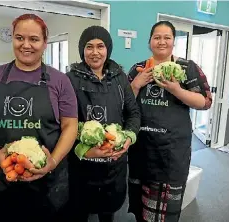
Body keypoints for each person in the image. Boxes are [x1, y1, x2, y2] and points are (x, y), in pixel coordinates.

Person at [0, 14, 78, 222]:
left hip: (50, 185)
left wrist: (52, 162)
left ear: (45, 43)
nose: (26, 45)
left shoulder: (60, 80)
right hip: (6, 179)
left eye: (34, 39)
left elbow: (70, 125)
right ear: (13, 40)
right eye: (19, 38)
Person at [127, 20, 213, 222]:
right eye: (157, 37)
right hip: (142, 149)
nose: (161, 42)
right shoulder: (138, 69)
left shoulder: (187, 68)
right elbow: (122, 103)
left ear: (174, 41)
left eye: (167, 37)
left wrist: (176, 90)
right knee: (142, 207)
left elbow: (205, 102)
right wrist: (135, 86)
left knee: (164, 212)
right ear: (149, 42)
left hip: (171, 151)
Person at [66, 25, 140, 222]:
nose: (95, 52)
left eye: (100, 46)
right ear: (82, 50)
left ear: (108, 49)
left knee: (108, 212)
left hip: (113, 164)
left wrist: (128, 138)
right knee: (78, 212)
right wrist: (82, 150)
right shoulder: (70, 80)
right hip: (81, 166)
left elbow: (133, 114)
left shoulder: (120, 78)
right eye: (89, 47)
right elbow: (62, 123)